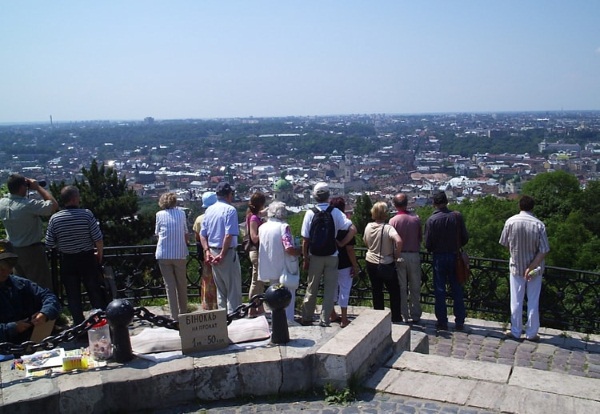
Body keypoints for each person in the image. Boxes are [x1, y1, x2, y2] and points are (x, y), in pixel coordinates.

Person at [45, 185, 107, 326]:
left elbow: (49, 243)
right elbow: (98, 239)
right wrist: (99, 255)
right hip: (87, 258)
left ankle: (78, 325)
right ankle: (100, 321)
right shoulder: (86, 214)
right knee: (94, 291)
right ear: (74, 199)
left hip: (68, 260)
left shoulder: (55, 219)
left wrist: (62, 246)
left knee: (73, 295)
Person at [300, 182, 356, 327]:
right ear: (327, 196)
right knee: (330, 288)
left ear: (315, 196)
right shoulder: (336, 213)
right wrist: (342, 243)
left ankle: (307, 316)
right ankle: (325, 319)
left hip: (315, 255)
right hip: (332, 255)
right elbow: (352, 229)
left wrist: (305, 258)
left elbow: (305, 239)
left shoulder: (310, 213)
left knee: (312, 287)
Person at [499, 195, 550, 342]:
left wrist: (514, 253)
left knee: (516, 300)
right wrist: (533, 265)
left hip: (516, 266)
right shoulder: (539, 225)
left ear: (519, 206)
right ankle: (532, 333)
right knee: (533, 300)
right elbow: (544, 249)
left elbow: (505, 242)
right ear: (532, 207)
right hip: (535, 269)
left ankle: (515, 331)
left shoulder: (511, 221)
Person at [0, 174, 58, 290]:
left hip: (13, 251)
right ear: (22, 188)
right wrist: (38, 188)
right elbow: (53, 206)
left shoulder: (2, 203)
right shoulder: (27, 205)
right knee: (40, 285)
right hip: (32, 251)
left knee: (21, 286)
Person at [0, 239, 61, 344]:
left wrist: (44, 313)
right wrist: (12, 328)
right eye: (1, 267)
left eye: (9, 266)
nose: (7, 271)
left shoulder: (20, 283)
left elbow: (49, 297)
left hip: (31, 344)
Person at [424, 191, 469, 331]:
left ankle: (442, 321)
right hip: (455, 256)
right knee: (457, 289)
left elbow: (427, 244)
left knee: (440, 290)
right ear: (447, 201)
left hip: (439, 257)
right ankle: (460, 321)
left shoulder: (431, 220)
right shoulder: (456, 216)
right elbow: (465, 238)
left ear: (434, 204)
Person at [199, 182, 242, 313]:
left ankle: (223, 320)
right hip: (226, 252)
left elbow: (202, 235)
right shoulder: (230, 210)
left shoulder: (209, 210)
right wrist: (222, 254)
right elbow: (229, 235)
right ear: (229, 195)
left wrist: (207, 252)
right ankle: (234, 320)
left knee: (220, 290)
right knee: (233, 289)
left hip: (212, 251)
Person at [257, 201, 301, 321]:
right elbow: (289, 248)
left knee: (273, 295)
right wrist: (299, 251)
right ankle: (288, 320)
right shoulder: (283, 227)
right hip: (284, 267)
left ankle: (276, 320)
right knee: (287, 295)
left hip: (269, 266)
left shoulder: (262, 227)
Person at [363, 201, 404, 323]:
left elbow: (365, 241)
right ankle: (396, 317)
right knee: (394, 291)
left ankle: (379, 317)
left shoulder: (368, 226)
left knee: (376, 290)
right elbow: (399, 241)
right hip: (386, 262)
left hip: (370, 261)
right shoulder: (388, 228)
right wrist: (396, 255)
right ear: (385, 214)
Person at [389, 193, 423, 324]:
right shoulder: (415, 219)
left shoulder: (393, 221)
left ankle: (404, 314)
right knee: (415, 286)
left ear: (395, 205)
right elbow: (420, 238)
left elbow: (391, 241)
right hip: (413, 254)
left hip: (399, 255)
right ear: (407, 204)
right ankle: (415, 314)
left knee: (401, 287)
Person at [155, 192, 189, 320]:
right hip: (179, 253)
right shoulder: (181, 214)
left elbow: (158, 233)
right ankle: (184, 313)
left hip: (163, 253)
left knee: (170, 286)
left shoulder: (159, 215)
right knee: (181, 284)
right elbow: (186, 232)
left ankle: (174, 316)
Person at [329, 197, 360, 328]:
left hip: (329, 260)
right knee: (344, 290)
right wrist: (355, 265)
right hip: (344, 263)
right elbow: (349, 249)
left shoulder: (328, 222)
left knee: (331, 289)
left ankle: (332, 314)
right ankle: (344, 319)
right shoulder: (346, 224)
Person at [192, 191, 218, 310]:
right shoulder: (219, 216)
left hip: (206, 253)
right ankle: (220, 303)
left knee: (207, 279)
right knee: (220, 279)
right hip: (219, 251)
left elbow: (197, 237)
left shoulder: (199, 219)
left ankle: (208, 303)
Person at [245, 192, 266, 317]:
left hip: (258, 252)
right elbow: (254, 238)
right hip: (255, 251)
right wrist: (264, 228)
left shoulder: (253, 215)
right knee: (255, 282)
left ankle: (259, 306)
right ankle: (252, 308)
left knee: (260, 281)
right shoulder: (253, 218)